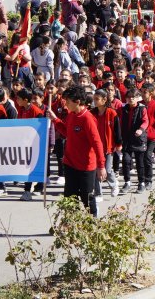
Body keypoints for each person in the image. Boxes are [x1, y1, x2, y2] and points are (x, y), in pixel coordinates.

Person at [52, 86, 105, 216]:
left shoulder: (88, 119)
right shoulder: (71, 115)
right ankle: (72, 223)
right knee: (70, 197)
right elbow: (67, 132)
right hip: (70, 163)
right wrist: (55, 120)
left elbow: (97, 143)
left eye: (68, 101)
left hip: (86, 166)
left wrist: (101, 166)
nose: (65, 104)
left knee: (87, 197)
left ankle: (92, 221)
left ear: (77, 102)